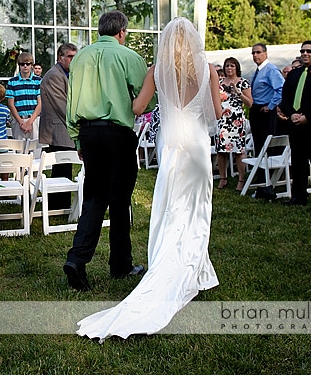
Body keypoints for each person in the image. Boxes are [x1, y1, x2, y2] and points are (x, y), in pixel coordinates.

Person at [76, 17, 222, 341]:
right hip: (197, 145)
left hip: (171, 143)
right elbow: (217, 113)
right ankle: (193, 270)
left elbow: (139, 107)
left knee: (170, 207)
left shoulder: (157, 70)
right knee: (197, 210)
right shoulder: (208, 69)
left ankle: (170, 268)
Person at [62, 10, 153, 292]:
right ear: (122, 32)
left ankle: (77, 259)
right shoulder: (129, 57)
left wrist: (77, 139)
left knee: (94, 197)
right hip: (118, 133)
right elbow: (144, 99)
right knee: (120, 199)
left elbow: (71, 100)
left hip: (88, 132)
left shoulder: (80, 58)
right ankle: (120, 264)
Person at [278, 41, 311, 210]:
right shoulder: (294, 74)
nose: (305, 53)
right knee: (298, 162)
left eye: (309, 51)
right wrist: (291, 114)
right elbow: (285, 97)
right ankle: (298, 196)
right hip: (295, 125)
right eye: (302, 51)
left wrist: (307, 116)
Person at [39, 43, 78, 209]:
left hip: (62, 128)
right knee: (61, 168)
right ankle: (58, 206)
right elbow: (62, 106)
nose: (73, 60)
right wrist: (79, 123)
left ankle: (61, 205)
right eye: (69, 56)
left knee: (64, 167)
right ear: (60, 57)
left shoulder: (66, 73)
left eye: (75, 56)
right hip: (58, 128)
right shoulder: (55, 75)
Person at [248, 43, 284, 192]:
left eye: (258, 52)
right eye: (253, 53)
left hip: (265, 111)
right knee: (258, 143)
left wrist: (270, 106)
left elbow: (281, 88)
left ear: (265, 53)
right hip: (256, 109)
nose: (255, 55)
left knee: (266, 143)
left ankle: (269, 177)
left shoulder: (271, 70)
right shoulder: (257, 71)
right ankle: (261, 175)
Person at [215, 57, 252, 191]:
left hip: (236, 119)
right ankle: (223, 178)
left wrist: (239, 92)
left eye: (232, 66)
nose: (229, 68)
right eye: (227, 66)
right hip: (222, 118)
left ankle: (241, 179)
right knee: (221, 150)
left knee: (239, 150)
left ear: (237, 68)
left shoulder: (243, 83)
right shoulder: (219, 83)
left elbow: (249, 103)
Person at [5, 52, 42, 141]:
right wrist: (21, 122)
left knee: (36, 150)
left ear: (31, 65)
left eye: (28, 64)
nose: (25, 66)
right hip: (19, 120)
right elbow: (11, 104)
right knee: (19, 151)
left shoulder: (38, 81)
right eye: (22, 64)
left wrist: (29, 122)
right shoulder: (12, 81)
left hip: (34, 119)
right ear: (19, 65)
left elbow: (40, 103)